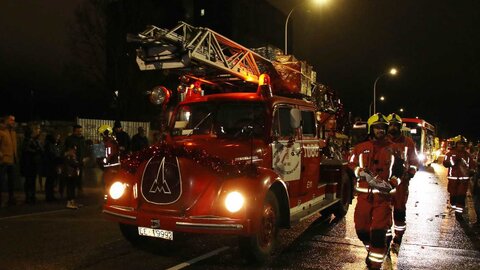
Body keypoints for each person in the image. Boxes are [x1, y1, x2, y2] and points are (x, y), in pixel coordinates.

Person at [348, 113, 401, 270]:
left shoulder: (393, 149)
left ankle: (375, 265)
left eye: (383, 128)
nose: (380, 130)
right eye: (377, 127)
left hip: (383, 199)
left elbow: (399, 170)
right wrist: (360, 172)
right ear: (371, 129)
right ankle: (370, 250)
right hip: (364, 196)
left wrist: (393, 182)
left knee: (378, 232)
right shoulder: (360, 148)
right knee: (361, 229)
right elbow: (350, 164)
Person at [386, 113, 418, 253]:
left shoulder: (408, 142)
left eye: (395, 125)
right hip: (385, 182)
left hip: (401, 183)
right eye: (390, 125)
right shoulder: (383, 141)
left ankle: (398, 238)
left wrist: (411, 172)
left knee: (399, 211)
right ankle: (386, 238)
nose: (393, 128)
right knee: (384, 211)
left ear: (399, 127)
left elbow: (414, 161)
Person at [442, 136, 477, 221]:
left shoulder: (467, 155)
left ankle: (459, 214)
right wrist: (453, 161)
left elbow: (472, 165)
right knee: (453, 196)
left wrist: (472, 171)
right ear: (456, 144)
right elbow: (445, 163)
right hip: (453, 179)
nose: (461, 146)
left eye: (462, 144)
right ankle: (454, 206)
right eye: (459, 144)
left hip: (463, 180)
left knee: (461, 197)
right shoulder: (450, 154)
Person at [20, 124, 43, 204]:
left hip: (33, 163)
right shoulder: (28, 140)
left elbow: (40, 149)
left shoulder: (35, 140)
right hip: (28, 164)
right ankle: (28, 197)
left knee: (32, 180)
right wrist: (36, 151)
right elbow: (26, 150)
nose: (39, 131)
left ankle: (32, 196)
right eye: (37, 129)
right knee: (29, 181)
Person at [0, 115, 18, 206]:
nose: (13, 122)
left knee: (11, 181)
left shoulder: (13, 133)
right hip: (4, 160)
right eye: (11, 120)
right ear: (7, 121)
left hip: (12, 160)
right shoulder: (1, 132)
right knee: (1, 180)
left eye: (13, 120)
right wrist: (1, 155)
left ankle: (11, 199)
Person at [64, 124, 86, 195]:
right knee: (72, 179)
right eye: (78, 131)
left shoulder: (82, 139)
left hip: (80, 161)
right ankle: (70, 195)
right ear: (74, 131)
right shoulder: (70, 139)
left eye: (80, 131)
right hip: (72, 162)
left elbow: (84, 149)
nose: (80, 132)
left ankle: (79, 191)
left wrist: (84, 157)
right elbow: (67, 150)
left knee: (79, 177)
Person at [43, 133, 63, 202]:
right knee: (50, 181)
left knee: (52, 181)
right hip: (51, 165)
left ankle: (51, 196)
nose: (58, 139)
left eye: (58, 137)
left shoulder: (56, 145)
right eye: (56, 137)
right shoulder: (49, 145)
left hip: (54, 165)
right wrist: (59, 159)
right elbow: (52, 155)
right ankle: (49, 196)